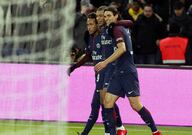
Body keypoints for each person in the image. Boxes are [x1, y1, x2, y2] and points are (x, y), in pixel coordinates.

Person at [94, 7, 162, 135]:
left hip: (127, 73)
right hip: (118, 72)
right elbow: (130, 23)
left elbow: (122, 49)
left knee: (135, 105)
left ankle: (155, 132)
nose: (106, 18)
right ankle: (114, 132)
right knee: (107, 102)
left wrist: (104, 62)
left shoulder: (117, 29)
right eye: (105, 16)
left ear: (116, 16)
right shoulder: (117, 27)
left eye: (109, 15)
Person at [68, 11, 130, 135]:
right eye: (87, 24)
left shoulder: (105, 35)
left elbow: (129, 23)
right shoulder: (91, 38)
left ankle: (114, 129)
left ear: (97, 25)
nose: (89, 27)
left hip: (107, 75)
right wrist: (74, 67)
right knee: (100, 105)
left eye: (91, 24)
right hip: (98, 77)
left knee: (103, 104)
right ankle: (119, 127)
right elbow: (88, 56)